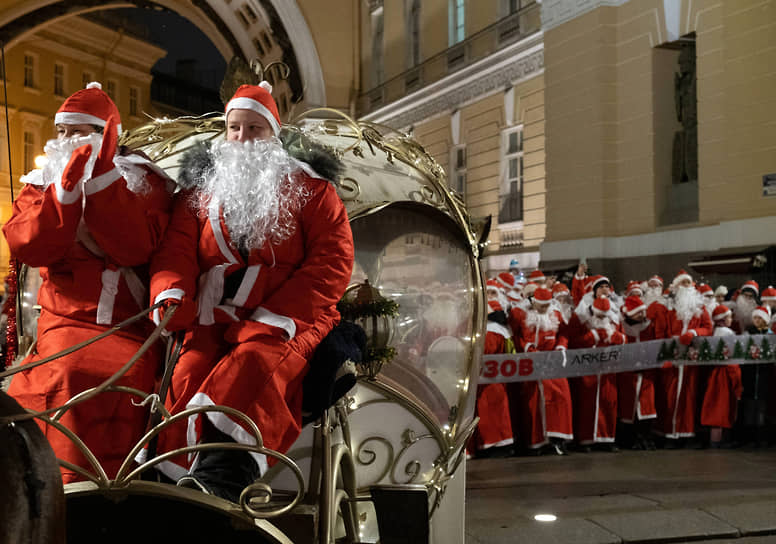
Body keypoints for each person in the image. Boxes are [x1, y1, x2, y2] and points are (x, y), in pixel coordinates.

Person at [146, 82, 354, 500]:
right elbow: (176, 253)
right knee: (185, 373)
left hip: (290, 321)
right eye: (234, 129)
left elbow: (332, 263)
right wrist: (169, 295)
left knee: (253, 367)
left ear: (274, 137)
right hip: (213, 317)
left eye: (254, 130)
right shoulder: (198, 193)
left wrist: (274, 319)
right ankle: (169, 487)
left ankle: (222, 484)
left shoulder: (312, 191)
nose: (242, 140)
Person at [3, 82, 174, 483]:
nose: (66, 141)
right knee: (59, 374)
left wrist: (99, 182)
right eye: (62, 131)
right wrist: (62, 195)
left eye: (79, 132)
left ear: (106, 135)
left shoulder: (143, 182)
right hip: (62, 324)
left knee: (108, 377)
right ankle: (54, 488)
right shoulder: (40, 182)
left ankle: (102, 486)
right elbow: (29, 245)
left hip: (127, 329)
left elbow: (133, 247)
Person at [653, 270, 712, 446]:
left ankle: (685, 433)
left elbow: (708, 327)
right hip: (672, 355)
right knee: (669, 396)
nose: (686, 286)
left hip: (690, 359)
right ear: (676, 286)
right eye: (682, 283)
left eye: (688, 283)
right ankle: (668, 433)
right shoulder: (668, 306)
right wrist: (663, 352)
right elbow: (660, 331)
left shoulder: (699, 307)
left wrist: (694, 332)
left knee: (689, 395)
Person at [515, 287, 573, 455]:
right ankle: (537, 443)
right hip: (532, 364)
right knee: (535, 403)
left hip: (553, 363)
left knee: (561, 400)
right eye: (542, 306)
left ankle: (558, 439)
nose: (545, 308)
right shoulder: (523, 316)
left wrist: (561, 347)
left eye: (548, 305)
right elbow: (517, 336)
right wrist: (528, 349)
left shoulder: (555, 314)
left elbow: (563, 333)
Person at [570, 296, 626, 451]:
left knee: (608, 403)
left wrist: (617, 337)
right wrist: (592, 337)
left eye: (605, 315)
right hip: (588, 371)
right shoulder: (584, 322)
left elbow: (624, 339)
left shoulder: (614, 322)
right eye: (600, 315)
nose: (603, 318)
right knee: (587, 405)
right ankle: (586, 440)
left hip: (608, 370)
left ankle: (606, 439)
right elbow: (574, 343)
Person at [469, 282, 515, 457]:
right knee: (499, 413)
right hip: (497, 379)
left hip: (488, 380)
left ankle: (493, 445)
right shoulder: (503, 330)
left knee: (491, 413)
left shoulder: (491, 332)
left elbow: (486, 351)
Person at [617, 296, 657, 450]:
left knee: (647, 406)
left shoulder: (649, 326)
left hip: (646, 374)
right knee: (628, 408)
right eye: (638, 312)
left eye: (643, 312)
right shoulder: (621, 327)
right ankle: (629, 439)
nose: (642, 315)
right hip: (628, 374)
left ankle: (645, 437)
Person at [700, 305, 741, 448]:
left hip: (715, 373)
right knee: (722, 407)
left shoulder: (715, 332)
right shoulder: (727, 334)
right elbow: (731, 357)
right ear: (722, 320)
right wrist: (736, 380)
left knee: (716, 406)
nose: (732, 319)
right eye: (729, 317)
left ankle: (716, 440)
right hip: (725, 374)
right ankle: (719, 441)